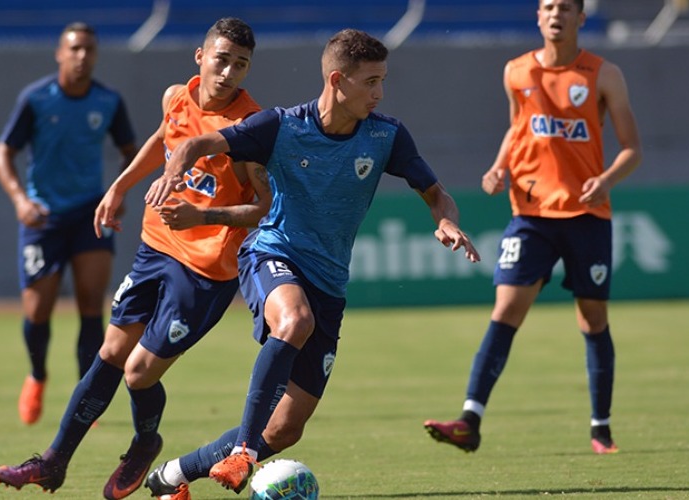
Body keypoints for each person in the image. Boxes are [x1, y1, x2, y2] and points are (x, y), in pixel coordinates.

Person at [140, 28, 481, 499]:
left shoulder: (386, 135)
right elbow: (196, 145)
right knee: (293, 320)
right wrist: (175, 166)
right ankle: (243, 451)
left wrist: (446, 221)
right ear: (338, 80)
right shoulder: (281, 126)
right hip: (271, 252)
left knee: (283, 430)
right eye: (371, 82)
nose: (379, 93)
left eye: (383, 81)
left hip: (329, 283)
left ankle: (173, 475)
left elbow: (435, 193)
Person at [0, 18, 269, 500]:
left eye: (240, 65)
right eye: (221, 59)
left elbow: (263, 207)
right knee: (110, 353)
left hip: (205, 271)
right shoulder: (176, 97)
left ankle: (145, 443)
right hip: (156, 248)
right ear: (200, 58)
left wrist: (204, 213)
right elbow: (161, 142)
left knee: (140, 372)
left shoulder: (249, 128)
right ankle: (53, 462)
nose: (228, 73)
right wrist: (119, 187)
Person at [423, 0, 642, 455]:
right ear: (538, 17)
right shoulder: (516, 72)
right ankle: (470, 420)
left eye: (565, 7)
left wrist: (605, 180)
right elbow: (518, 127)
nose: (556, 14)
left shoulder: (604, 75)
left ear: (580, 18)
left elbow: (631, 149)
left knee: (592, 318)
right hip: (530, 214)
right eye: (548, 6)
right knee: (505, 310)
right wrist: (498, 166)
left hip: (586, 216)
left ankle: (601, 428)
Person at [0, 21, 138, 426]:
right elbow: (3, 153)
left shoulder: (108, 101)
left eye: (88, 49)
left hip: (90, 213)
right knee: (38, 310)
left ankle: (85, 398)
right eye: (73, 49)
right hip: (44, 217)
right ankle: (37, 376)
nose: (81, 56)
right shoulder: (36, 98)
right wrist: (21, 200)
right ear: (59, 53)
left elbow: (132, 152)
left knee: (92, 304)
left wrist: (117, 193)